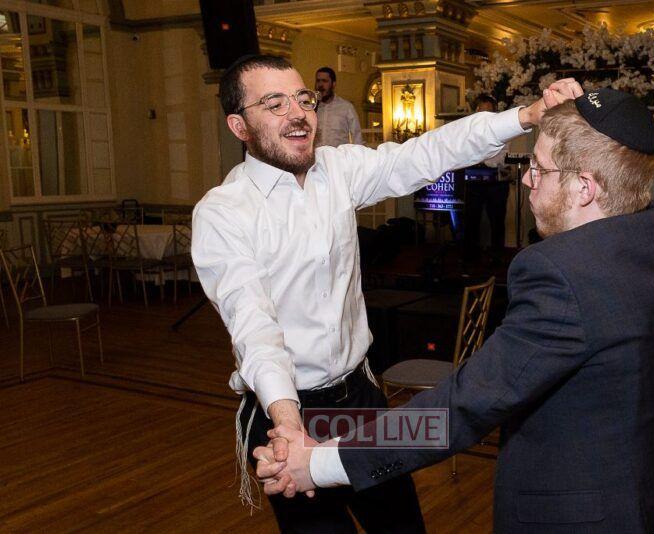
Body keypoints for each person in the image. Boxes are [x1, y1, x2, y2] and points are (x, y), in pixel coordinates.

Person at [256, 87, 654, 533]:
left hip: (586, 513)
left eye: (539, 168)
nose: (527, 180)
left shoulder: (565, 275)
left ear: (584, 187)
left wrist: (318, 464)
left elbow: (460, 408)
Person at [191, 54, 567, 533]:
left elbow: (428, 153)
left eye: (303, 99)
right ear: (239, 126)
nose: (298, 114)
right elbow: (254, 326)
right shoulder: (223, 213)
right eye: (275, 103)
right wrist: (286, 423)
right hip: (284, 409)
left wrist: (525, 116)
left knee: (401, 525)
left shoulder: (337, 170)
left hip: (359, 398)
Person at [463, 94, 511, 263]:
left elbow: (502, 157)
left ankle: (497, 257)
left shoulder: (503, 130)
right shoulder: (469, 130)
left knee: (497, 220)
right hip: (473, 181)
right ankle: (471, 258)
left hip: (496, 182)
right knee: (471, 219)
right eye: (481, 112)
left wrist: (483, 159)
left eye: (488, 112)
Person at [314, 66, 363, 147]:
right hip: (317, 154)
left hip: (338, 154)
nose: (320, 85)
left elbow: (357, 137)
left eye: (324, 81)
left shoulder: (346, 107)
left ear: (333, 84)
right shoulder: (312, 108)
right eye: (318, 81)